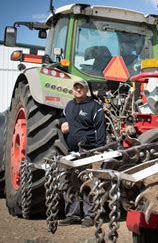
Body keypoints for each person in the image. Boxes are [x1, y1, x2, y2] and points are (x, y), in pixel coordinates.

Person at [58, 80, 106, 227]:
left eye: (81, 88)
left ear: (86, 90)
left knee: (87, 182)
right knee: (69, 182)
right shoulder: (69, 105)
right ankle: (72, 215)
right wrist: (63, 122)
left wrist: (98, 152)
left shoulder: (94, 107)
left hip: (87, 151)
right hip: (71, 152)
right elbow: (62, 116)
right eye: (76, 87)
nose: (78, 90)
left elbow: (100, 130)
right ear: (73, 90)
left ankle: (89, 216)